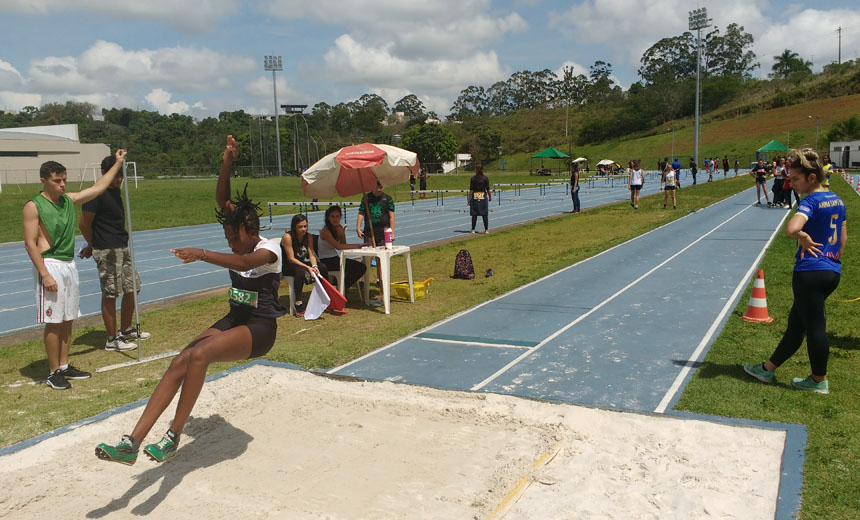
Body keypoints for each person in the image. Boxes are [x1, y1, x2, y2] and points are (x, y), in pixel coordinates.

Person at [95, 135, 287, 464]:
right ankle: (131, 443)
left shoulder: (270, 249)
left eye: (234, 237)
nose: (231, 244)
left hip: (259, 329)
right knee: (179, 362)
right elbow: (225, 201)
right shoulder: (241, 229)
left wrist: (201, 253)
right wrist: (227, 162)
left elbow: (243, 263)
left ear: (251, 231)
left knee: (199, 356)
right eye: (226, 238)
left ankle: (173, 435)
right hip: (235, 320)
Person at [743, 148, 847, 395]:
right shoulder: (837, 199)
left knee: (815, 327)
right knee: (796, 324)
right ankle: (767, 368)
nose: (791, 184)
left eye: (796, 179)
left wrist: (802, 236)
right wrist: (832, 258)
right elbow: (843, 239)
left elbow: (791, 228)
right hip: (831, 270)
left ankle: (819, 379)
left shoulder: (810, 201)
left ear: (812, 178)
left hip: (809, 272)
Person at [23, 149, 127, 390]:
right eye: (56, 180)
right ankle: (52, 371)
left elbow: (98, 188)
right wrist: (45, 274)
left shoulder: (69, 200)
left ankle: (64, 365)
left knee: (68, 317)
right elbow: (30, 243)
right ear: (43, 181)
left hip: (69, 265)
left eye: (64, 180)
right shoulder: (33, 206)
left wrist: (118, 162)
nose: (61, 184)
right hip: (50, 264)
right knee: (54, 320)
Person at [79, 154, 150, 352]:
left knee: (133, 287)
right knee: (111, 294)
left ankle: (126, 329)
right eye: (115, 176)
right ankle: (112, 339)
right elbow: (84, 224)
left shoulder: (117, 192)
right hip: (107, 249)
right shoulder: (95, 194)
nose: (119, 180)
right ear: (104, 174)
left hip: (122, 245)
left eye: (121, 176)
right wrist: (93, 245)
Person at [281, 214, 328, 317]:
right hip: (288, 265)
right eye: (300, 227)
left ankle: (322, 298)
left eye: (305, 226)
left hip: (300, 264)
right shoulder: (287, 237)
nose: (303, 229)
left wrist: (314, 266)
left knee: (322, 267)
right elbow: (291, 258)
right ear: (294, 227)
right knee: (300, 271)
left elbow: (311, 254)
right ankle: (298, 303)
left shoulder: (309, 236)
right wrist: (308, 267)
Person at [356, 180, 395, 293]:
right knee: (367, 257)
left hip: (383, 233)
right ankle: (364, 279)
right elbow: (361, 213)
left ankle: (380, 278)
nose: (378, 187)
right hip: (369, 231)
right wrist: (358, 227)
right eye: (376, 184)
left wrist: (392, 232)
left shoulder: (387, 199)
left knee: (381, 257)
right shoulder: (366, 198)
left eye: (380, 185)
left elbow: (391, 216)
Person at [318, 205, 367, 295]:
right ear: (328, 218)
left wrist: (342, 234)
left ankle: (342, 286)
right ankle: (342, 286)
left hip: (335, 258)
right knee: (359, 267)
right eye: (332, 216)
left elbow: (344, 244)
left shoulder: (339, 228)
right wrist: (359, 245)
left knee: (360, 267)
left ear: (340, 217)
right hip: (326, 261)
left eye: (337, 216)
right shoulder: (325, 231)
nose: (335, 219)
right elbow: (339, 247)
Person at [468, 163, 492, 232]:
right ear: (482, 170)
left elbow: (471, 190)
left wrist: (468, 199)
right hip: (483, 197)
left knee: (474, 214)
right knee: (484, 213)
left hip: (475, 197)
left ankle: (473, 229)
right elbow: (488, 189)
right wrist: (490, 196)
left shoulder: (473, 178)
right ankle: (486, 230)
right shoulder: (485, 178)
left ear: (476, 169)